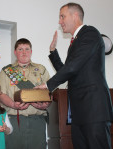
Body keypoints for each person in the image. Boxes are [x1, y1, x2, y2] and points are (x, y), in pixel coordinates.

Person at [37, 3, 113, 149]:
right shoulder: (75, 42)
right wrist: (53, 52)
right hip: (79, 114)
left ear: (75, 16)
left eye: (62, 16)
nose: (60, 21)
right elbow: (67, 71)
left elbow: (72, 67)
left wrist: (47, 85)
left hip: (94, 112)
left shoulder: (90, 33)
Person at [0, 38, 51, 149]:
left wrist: (45, 104)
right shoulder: (6, 71)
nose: (24, 52)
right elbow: (1, 94)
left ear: (31, 51)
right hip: (13, 120)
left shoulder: (41, 69)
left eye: (27, 49)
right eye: (20, 49)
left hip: (37, 120)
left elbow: (50, 92)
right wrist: (13, 105)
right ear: (15, 52)